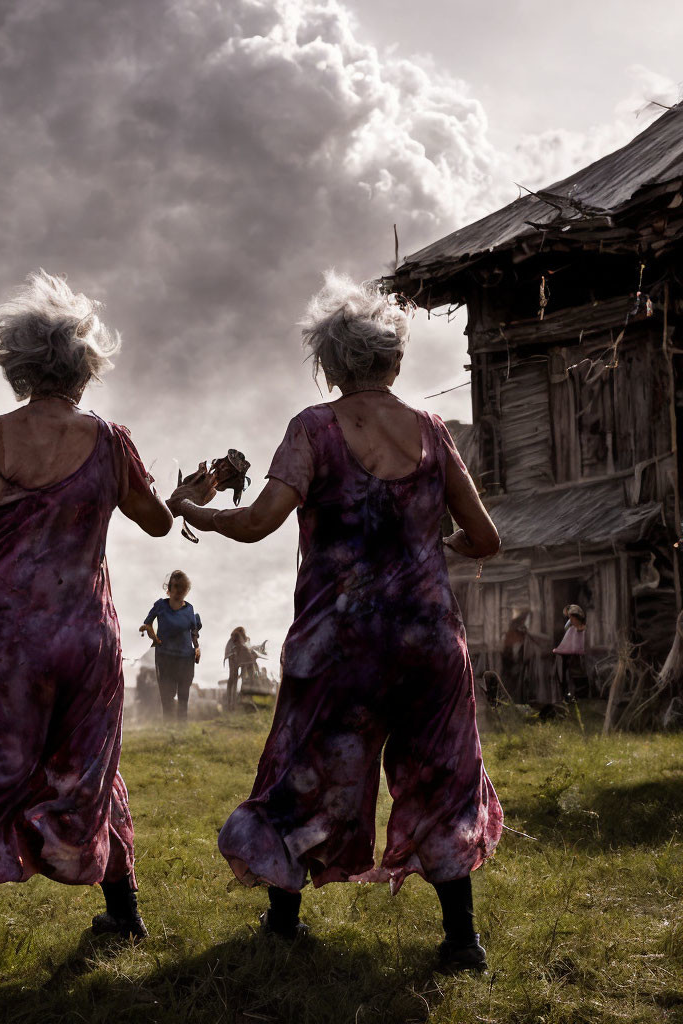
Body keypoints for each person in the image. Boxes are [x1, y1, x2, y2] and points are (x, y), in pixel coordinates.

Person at [168, 272, 503, 973]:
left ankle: (284, 924)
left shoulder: (314, 428)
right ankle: (462, 941)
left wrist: (191, 511)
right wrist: (423, 552)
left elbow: (260, 522)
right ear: (395, 359)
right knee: (441, 777)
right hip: (427, 639)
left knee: (308, 773)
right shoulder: (431, 430)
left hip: (340, 644)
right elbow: (484, 537)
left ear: (329, 364)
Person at [0, 270, 173, 979]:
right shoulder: (110, 440)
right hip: (84, 634)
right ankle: (125, 910)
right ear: (85, 366)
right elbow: (158, 520)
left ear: (15, 365)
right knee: (91, 770)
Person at [139, 570, 202, 721]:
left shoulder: (189, 609)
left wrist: (197, 647)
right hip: (165, 656)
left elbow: (193, 629)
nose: (179, 591)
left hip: (186, 657)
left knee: (183, 695)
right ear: (169, 587)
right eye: (176, 587)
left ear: (186, 590)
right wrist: (152, 634)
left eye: (183, 588)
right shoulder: (161, 605)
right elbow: (147, 623)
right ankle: (168, 727)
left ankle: (181, 728)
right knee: (167, 695)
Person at [553, 604, 587, 701]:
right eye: (569, 618)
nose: (571, 621)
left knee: (579, 673)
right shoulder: (571, 630)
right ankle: (567, 694)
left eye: (572, 618)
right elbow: (566, 631)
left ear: (578, 617)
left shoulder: (585, 630)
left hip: (581, 657)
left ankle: (578, 694)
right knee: (566, 672)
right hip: (569, 656)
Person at [223, 626, 262, 711]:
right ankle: (231, 705)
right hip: (233, 656)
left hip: (238, 657)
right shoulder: (235, 638)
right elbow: (245, 650)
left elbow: (247, 650)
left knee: (236, 679)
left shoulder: (240, 641)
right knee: (233, 679)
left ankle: (237, 705)